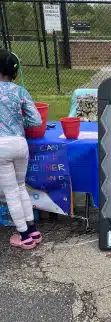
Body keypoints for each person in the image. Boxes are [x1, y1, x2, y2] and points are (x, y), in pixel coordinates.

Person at [0, 49, 43, 249]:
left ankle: (24, 236)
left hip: (2, 147)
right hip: (20, 143)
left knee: (11, 192)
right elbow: (36, 120)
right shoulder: (20, 91)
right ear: (14, 72)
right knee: (20, 186)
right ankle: (32, 229)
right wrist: (18, 122)